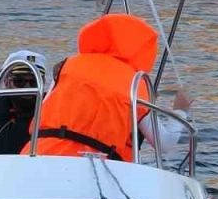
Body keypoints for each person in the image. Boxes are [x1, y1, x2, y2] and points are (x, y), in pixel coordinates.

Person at [26, 13, 190, 161]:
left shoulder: (68, 66)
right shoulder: (136, 84)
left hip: (38, 154)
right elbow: (164, 144)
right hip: (98, 166)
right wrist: (180, 111)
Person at [0, 50, 50, 155]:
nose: (27, 88)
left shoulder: (52, 111)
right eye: (20, 82)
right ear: (6, 82)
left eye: (34, 82)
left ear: (43, 83)